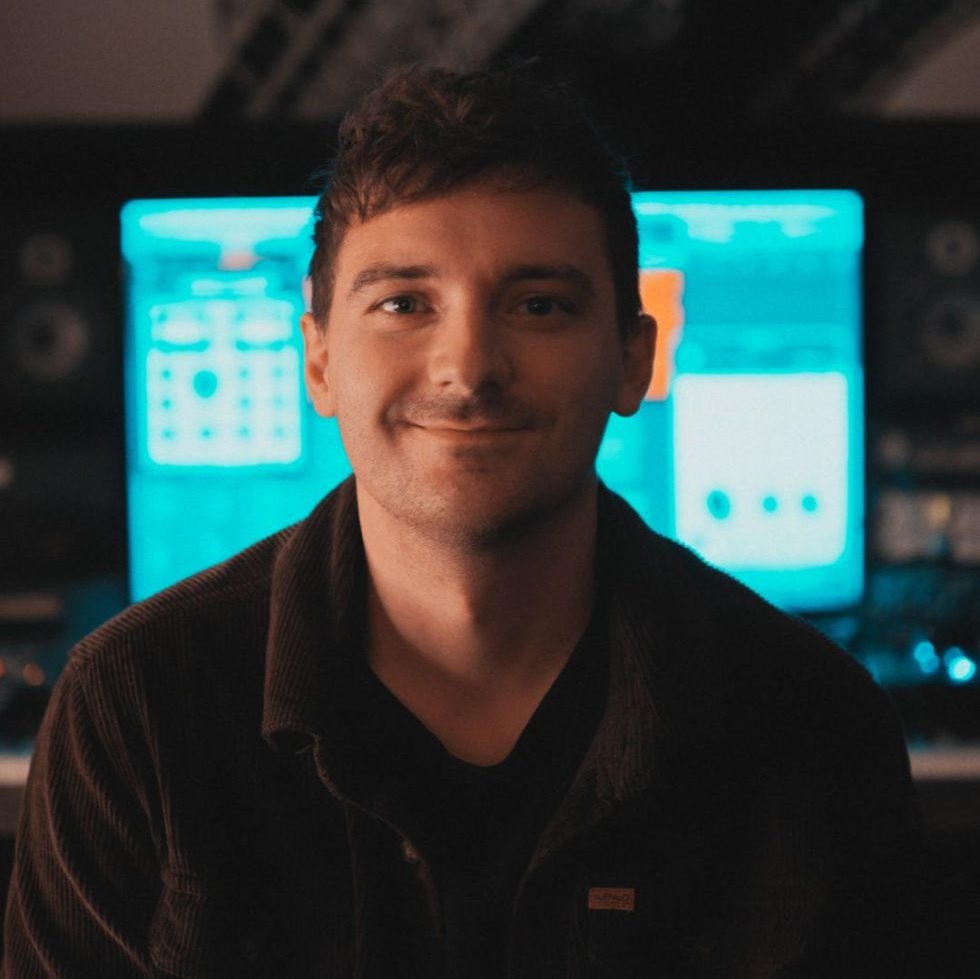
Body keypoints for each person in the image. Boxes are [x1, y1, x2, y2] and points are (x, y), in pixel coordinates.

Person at [4, 65, 924, 978]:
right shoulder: (134, 708)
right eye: (404, 304)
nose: (468, 367)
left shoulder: (817, 726)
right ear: (319, 361)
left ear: (632, 360)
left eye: (539, 306)